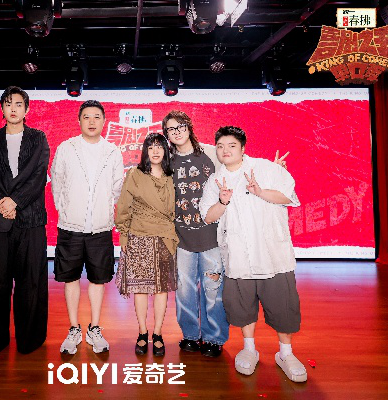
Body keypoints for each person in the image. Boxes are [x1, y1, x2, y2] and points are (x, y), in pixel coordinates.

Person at [199, 126, 306, 382]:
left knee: (283, 306)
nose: (225, 150)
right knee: (242, 306)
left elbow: (288, 196)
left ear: (243, 148)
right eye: (221, 146)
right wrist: (223, 201)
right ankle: (249, 349)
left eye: (232, 145)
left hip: (272, 255)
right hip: (237, 256)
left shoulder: (267, 168)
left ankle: (286, 353)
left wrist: (260, 192)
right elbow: (208, 216)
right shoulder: (214, 181)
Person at [0, 86, 50, 358]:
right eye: (8, 104)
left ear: (27, 109)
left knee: (31, 282)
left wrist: (15, 201)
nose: (14, 108)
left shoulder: (38, 138)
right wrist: (2, 203)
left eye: (19, 104)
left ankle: (30, 340)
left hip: (31, 219)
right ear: (2, 109)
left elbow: (38, 176)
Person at [51, 100, 124, 354]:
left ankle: (95, 328)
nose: (91, 121)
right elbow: (57, 182)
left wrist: (106, 211)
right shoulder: (67, 147)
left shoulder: (112, 151)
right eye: (86, 117)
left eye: (96, 117)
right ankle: (74, 328)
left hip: (101, 228)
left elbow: (118, 187)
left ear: (104, 121)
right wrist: (65, 210)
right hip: (70, 226)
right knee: (70, 278)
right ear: (79, 120)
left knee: (98, 279)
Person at [162, 111, 229, 357]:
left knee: (213, 290)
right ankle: (190, 335)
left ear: (189, 127)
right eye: (171, 129)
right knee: (184, 291)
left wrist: (272, 170)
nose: (177, 132)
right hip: (181, 240)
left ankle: (214, 338)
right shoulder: (167, 161)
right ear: (167, 134)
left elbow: (237, 165)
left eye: (181, 126)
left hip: (212, 237)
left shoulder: (211, 153)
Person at [115, 133, 178, 356]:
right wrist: (124, 235)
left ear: (166, 151)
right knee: (140, 288)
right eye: (151, 147)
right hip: (138, 235)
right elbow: (124, 206)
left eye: (159, 146)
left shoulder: (172, 176)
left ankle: (158, 333)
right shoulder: (135, 174)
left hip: (165, 237)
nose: (155, 151)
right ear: (145, 151)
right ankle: (142, 332)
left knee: (161, 289)